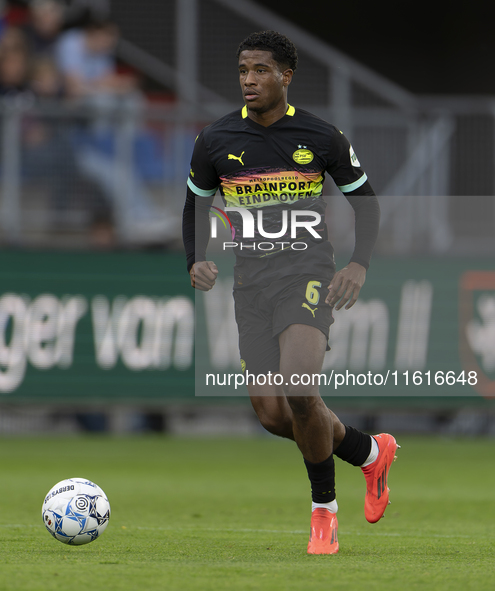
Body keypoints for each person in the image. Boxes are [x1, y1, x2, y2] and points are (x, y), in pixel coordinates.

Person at [182, 30, 399, 555]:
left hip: (306, 276)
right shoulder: (215, 140)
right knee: (276, 415)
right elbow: (194, 206)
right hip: (250, 285)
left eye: (260, 70)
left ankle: (323, 514)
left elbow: (367, 204)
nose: (249, 80)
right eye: (242, 71)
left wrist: (358, 264)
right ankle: (369, 452)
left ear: (286, 75)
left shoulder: (322, 137)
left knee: (300, 391)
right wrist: (198, 258)